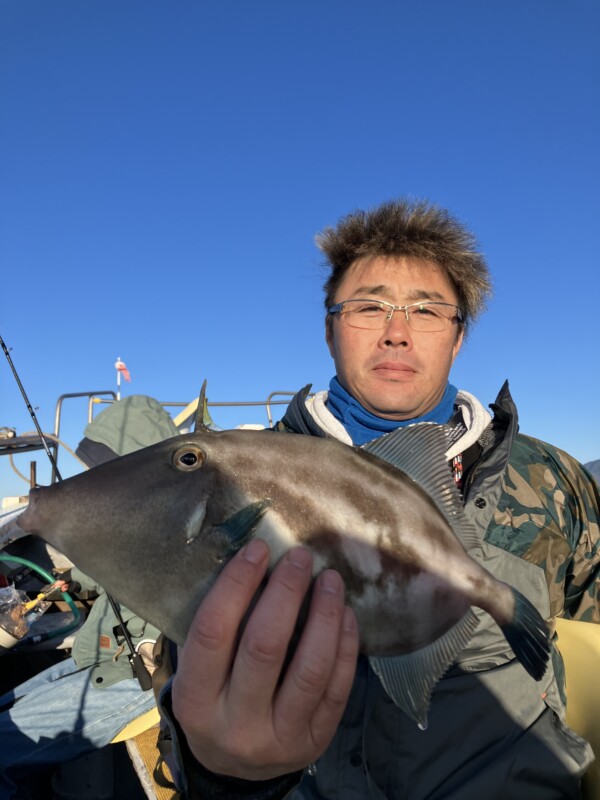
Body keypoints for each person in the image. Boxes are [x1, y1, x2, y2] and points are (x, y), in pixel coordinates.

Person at [157, 200, 600, 799]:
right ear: (329, 328)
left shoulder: (552, 481)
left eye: (427, 310)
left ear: (458, 337)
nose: (397, 330)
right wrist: (225, 777)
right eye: (369, 307)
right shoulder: (233, 481)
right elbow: (185, 695)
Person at [0, 394, 176, 797]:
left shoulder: (176, 523)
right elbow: (112, 566)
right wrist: (74, 581)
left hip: (136, 680)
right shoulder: (135, 514)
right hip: (99, 655)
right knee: (6, 705)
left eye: (109, 469)